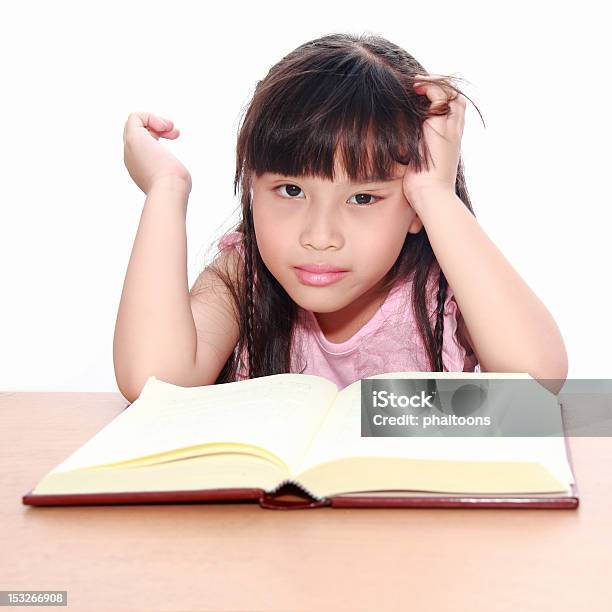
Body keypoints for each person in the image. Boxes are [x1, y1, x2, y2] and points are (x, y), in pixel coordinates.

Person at [114, 33, 568, 402]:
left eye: (364, 198)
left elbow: (539, 379)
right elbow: (155, 383)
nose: (320, 236)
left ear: (412, 206)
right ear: (253, 186)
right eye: (291, 190)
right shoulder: (243, 276)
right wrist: (165, 189)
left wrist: (435, 194)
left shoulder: (442, 285)